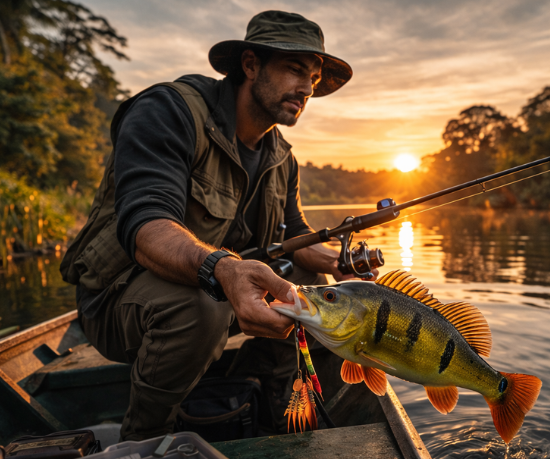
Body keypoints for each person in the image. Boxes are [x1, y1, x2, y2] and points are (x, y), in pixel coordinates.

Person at [59, 10, 371, 440]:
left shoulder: (283, 156)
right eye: (296, 70)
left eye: (314, 79)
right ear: (249, 65)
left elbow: (295, 235)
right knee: (201, 306)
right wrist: (223, 269)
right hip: (116, 301)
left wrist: (339, 262)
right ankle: (146, 439)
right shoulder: (169, 111)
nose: (307, 88)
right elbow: (146, 224)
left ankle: (271, 402)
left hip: (222, 291)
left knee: (312, 287)